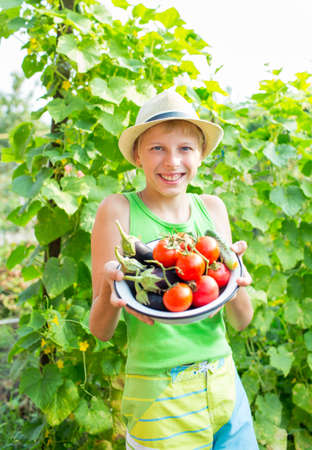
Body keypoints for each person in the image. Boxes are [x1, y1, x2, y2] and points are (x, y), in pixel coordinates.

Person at [90, 89, 259, 449]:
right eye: (157, 148)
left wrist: (237, 278)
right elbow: (100, 329)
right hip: (158, 393)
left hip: (225, 384)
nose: (172, 162)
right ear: (137, 155)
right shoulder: (118, 211)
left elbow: (241, 320)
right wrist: (109, 286)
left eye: (185, 148)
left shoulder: (212, 210)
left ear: (200, 155)